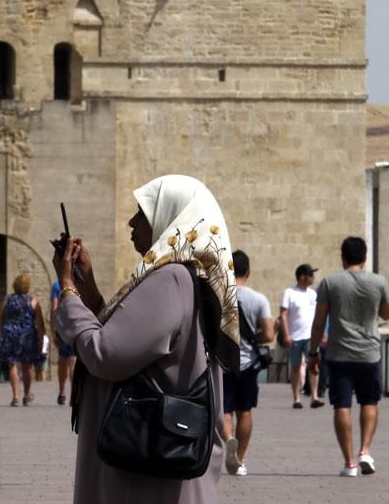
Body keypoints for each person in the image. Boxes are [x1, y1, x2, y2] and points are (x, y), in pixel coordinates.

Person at [53, 174, 240, 504]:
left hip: (141, 477)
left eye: (142, 212)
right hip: (149, 470)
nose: (131, 221)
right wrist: (90, 288)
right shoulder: (182, 275)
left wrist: (67, 289)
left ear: (171, 217)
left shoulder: (170, 279)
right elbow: (128, 336)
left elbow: (104, 353)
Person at [308, 237, 389, 477]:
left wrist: (313, 353)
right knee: (369, 402)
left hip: (339, 353)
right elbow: (386, 312)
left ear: (343, 257)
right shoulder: (379, 282)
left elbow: (319, 321)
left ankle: (349, 463)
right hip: (369, 353)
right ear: (365, 258)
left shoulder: (330, 282)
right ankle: (365, 451)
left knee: (342, 404)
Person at [222, 250, 275, 477]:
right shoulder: (259, 299)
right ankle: (240, 460)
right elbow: (269, 335)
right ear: (249, 272)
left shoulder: (220, 296)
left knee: (225, 411)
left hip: (223, 362)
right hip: (249, 365)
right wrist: (255, 338)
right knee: (245, 411)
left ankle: (228, 439)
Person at [0, 273, 46, 406]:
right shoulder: (33, 301)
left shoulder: (8, 299)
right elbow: (40, 324)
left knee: (12, 365)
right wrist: (40, 340)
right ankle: (26, 395)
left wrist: (3, 331)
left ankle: (15, 396)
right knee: (27, 367)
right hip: (27, 336)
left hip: (10, 334)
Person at [279, 264, 324, 409]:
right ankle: (296, 398)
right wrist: (286, 334)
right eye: (310, 275)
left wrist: (322, 333)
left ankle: (314, 396)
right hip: (295, 336)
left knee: (313, 365)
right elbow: (283, 315)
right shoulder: (289, 292)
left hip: (311, 336)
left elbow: (318, 315)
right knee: (296, 367)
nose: (313, 278)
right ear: (302, 276)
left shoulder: (313, 294)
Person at [50, 278, 77, 405]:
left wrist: (54, 330)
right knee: (73, 361)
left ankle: (62, 393)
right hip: (77, 324)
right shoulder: (79, 282)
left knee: (63, 359)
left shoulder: (57, 285)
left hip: (63, 325)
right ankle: (73, 396)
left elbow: (54, 308)